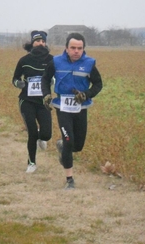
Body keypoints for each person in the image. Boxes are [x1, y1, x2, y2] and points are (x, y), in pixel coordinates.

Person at [41, 32, 103, 189]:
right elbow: (45, 79)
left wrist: (86, 94)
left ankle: (62, 146)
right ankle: (69, 180)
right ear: (66, 49)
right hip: (62, 107)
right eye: (73, 48)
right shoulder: (55, 62)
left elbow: (98, 84)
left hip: (81, 107)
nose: (76, 51)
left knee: (78, 145)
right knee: (69, 140)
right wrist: (47, 94)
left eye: (80, 48)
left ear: (84, 49)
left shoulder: (89, 64)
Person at [12, 30, 53, 173]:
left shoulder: (52, 60)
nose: (40, 43)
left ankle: (42, 137)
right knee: (32, 133)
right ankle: (31, 163)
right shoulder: (24, 60)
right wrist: (20, 84)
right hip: (27, 101)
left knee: (47, 135)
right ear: (32, 43)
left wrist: (53, 81)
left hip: (44, 102)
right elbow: (15, 79)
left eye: (43, 41)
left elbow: (58, 77)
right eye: (37, 41)